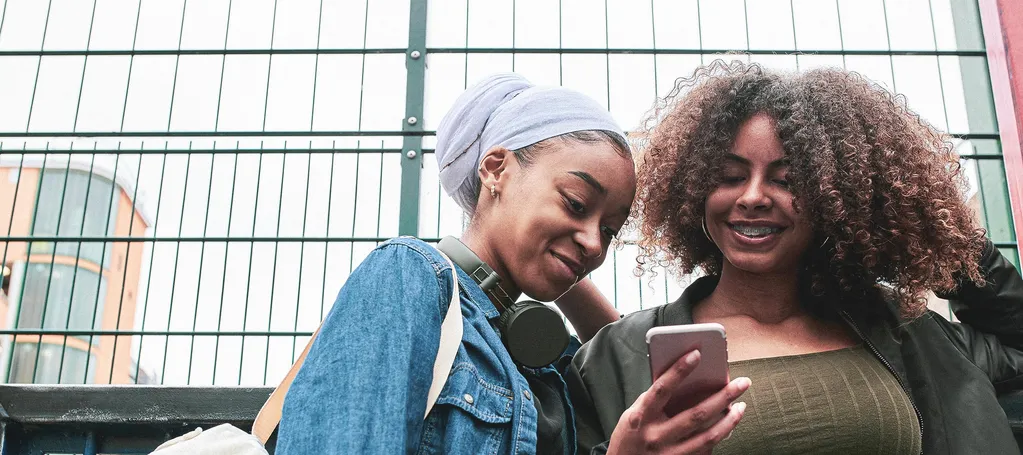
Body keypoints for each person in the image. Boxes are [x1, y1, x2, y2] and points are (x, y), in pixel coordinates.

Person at [567, 60, 1023, 454]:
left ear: (835, 197)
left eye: (787, 180)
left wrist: (935, 235)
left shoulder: (908, 331)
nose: (752, 196)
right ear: (694, 189)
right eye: (729, 175)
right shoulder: (615, 356)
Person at [275, 73, 637, 454]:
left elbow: (633, 371)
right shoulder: (409, 277)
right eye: (575, 204)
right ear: (496, 169)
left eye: (610, 230)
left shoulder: (550, 359)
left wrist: (562, 255)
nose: (595, 244)